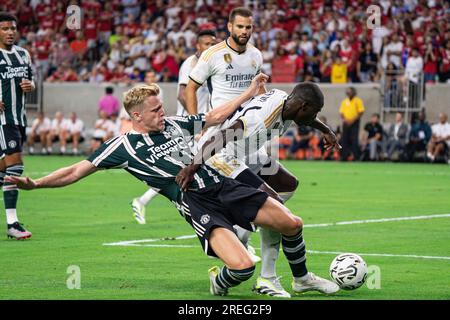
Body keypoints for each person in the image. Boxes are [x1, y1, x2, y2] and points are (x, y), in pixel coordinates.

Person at [6, 79, 340, 297]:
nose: (163, 113)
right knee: (242, 268)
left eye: (162, 106)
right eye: (155, 110)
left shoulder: (174, 124)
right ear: (136, 116)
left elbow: (215, 117)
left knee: (292, 222)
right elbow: (76, 170)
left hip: (225, 183)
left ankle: (302, 278)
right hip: (197, 203)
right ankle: (219, 280)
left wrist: (249, 93)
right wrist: (36, 184)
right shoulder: (122, 146)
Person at [187, 82, 341, 298]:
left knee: (287, 184)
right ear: (304, 106)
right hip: (220, 155)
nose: (316, 115)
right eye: (315, 111)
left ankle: (244, 230)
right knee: (275, 205)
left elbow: (305, 117)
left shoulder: (285, 100)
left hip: (245, 151)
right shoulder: (260, 120)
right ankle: (271, 278)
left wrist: (326, 130)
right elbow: (220, 138)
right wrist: (192, 167)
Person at [186, 7, 296, 297]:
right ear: (229, 26)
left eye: (249, 27)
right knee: (273, 202)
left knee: (286, 185)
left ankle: (245, 236)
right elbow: (190, 87)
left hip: (248, 137)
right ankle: (259, 266)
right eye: (240, 27)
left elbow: (258, 93)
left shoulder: (256, 55)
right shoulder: (212, 55)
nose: (245, 32)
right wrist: (195, 123)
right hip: (221, 138)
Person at [130, 30, 216, 224]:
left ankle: (142, 200)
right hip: (188, 126)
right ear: (198, 46)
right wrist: (196, 123)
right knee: (195, 167)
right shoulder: (191, 64)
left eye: (214, 44)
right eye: (208, 44)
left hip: (199, 124)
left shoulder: (208, 64)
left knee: (186, 168)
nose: (212, 47)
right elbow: (182, 94)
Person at [0, 12, 35, 240]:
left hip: (19, 118)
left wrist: (30, 85)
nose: (10, 32)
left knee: (3, 170)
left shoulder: (24, 54)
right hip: (3, 120)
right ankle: (12, 224)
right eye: (5, 29)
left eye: (13, 28)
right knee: (15, 166)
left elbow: (31, 79)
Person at [339, 87, 365, 161]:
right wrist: (345, 120)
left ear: (353, 92)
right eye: (347, 92)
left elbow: (361, 112)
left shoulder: (358, 100)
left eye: (350, 92)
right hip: (346, 123)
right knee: (344, 140)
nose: (348, 93)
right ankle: (344, 156)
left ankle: (356, 157)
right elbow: (341, 112)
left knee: (354, 140)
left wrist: (352, 120)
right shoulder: (344, 101)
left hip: (354, 123)